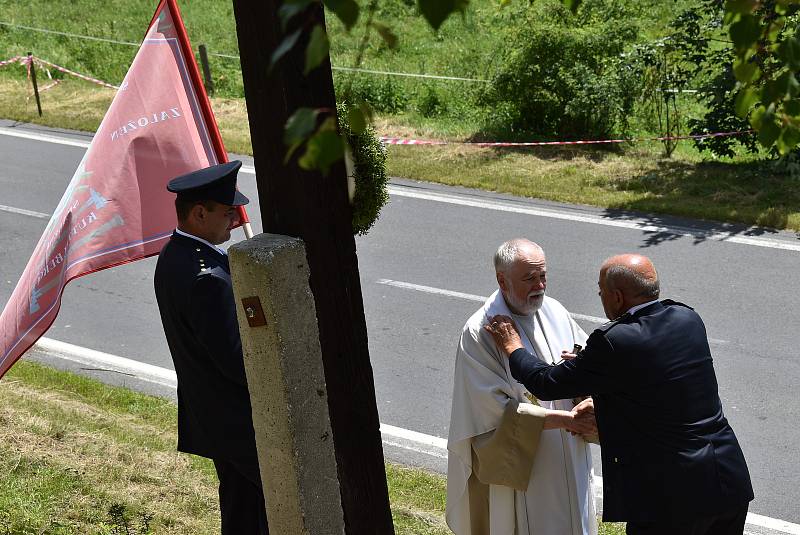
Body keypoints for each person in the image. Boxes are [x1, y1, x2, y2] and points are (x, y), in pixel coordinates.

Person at [485, 254, 754, 535]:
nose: (601, 298)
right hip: (727, 481)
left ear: (616, 297)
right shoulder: (687, 317)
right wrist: (589, 368)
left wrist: (514, 346)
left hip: (672, 499)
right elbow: (656, 376)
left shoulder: (613, 342)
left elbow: (545, 383)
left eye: (601, 292)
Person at [447, 238, 599, 535]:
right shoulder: (481, 332)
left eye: (543, 276)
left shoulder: (555, 311)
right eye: (529, 278)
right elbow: (490, 413)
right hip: (525, 465)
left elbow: (586, 365)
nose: (540, 286)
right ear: (502, 280)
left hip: (571, 452)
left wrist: (588, 393)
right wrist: (569, 421)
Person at [154, 160, 268, 534]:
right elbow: (237, 362)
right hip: (238, 423)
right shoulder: (208, 278)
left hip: (216, 418)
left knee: (243, 510)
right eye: (227, 211)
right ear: (200, 213)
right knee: (259, 516)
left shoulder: (174, 255)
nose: (235, 219)